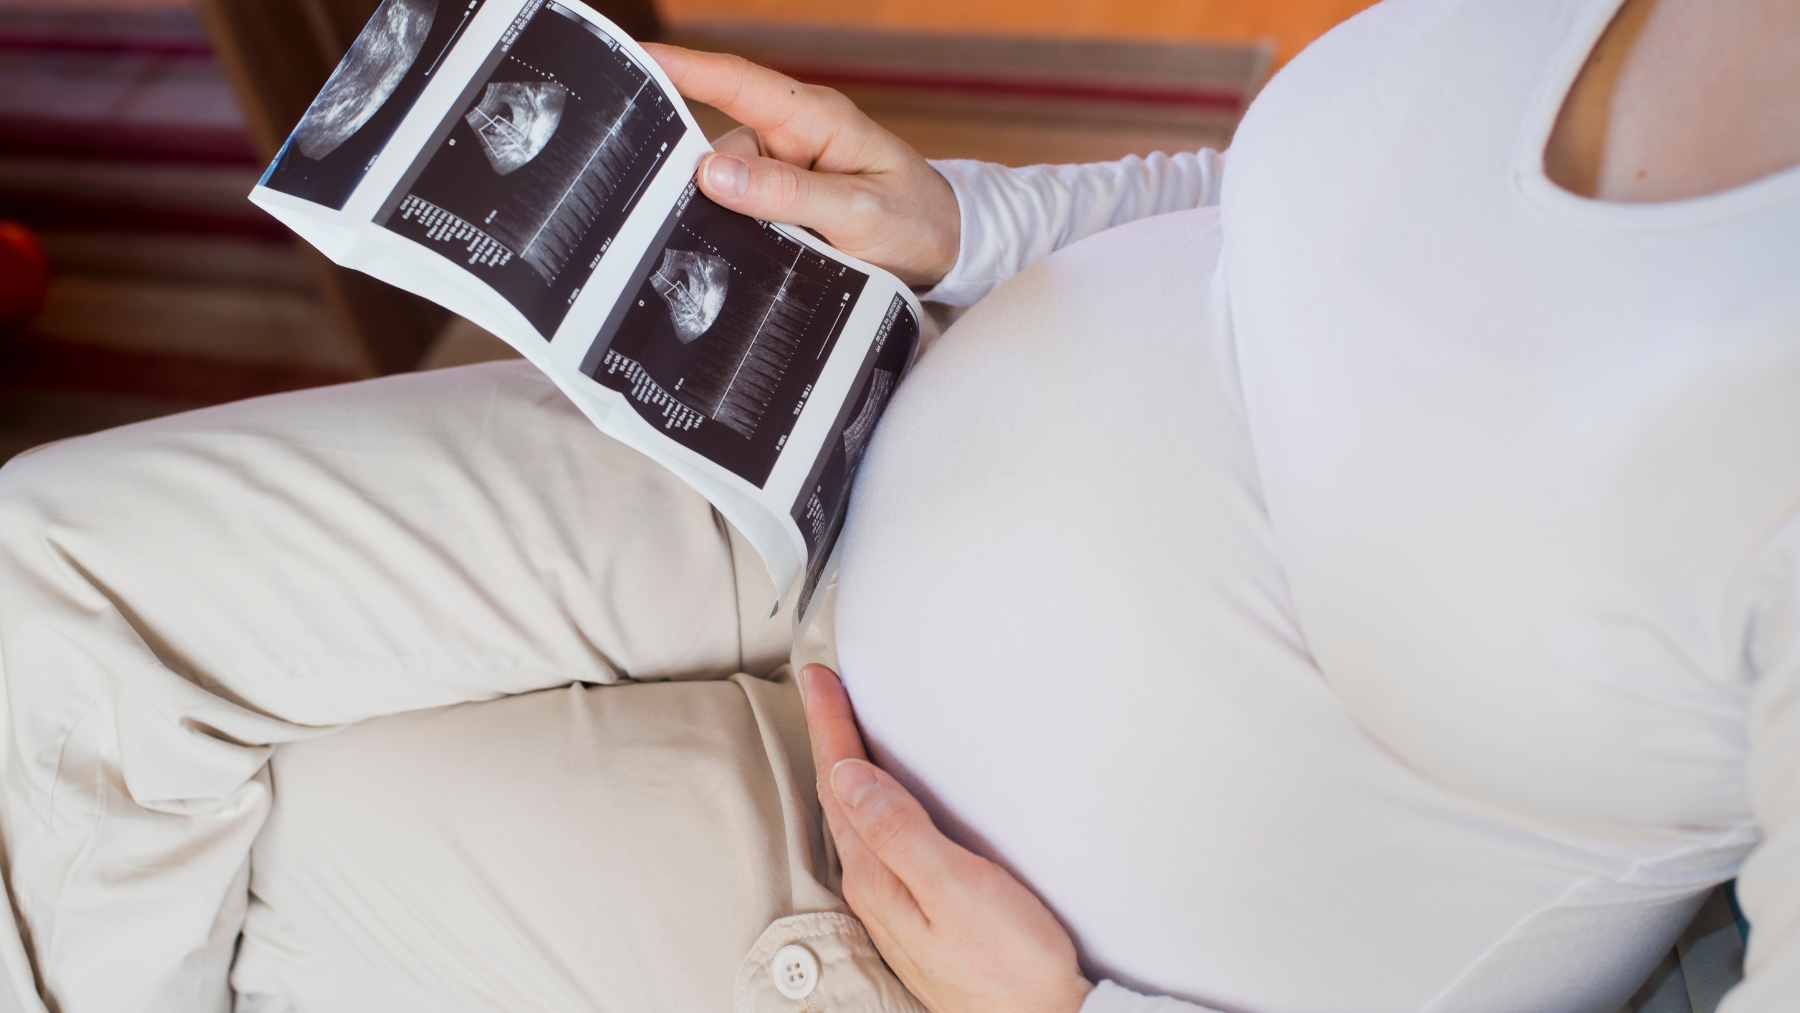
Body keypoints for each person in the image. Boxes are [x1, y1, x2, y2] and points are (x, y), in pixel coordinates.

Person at [1, 0, 1795, 1009]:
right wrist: (971, 225)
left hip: (1010, 944)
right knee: (45, 603)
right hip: (840, 432)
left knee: (271, 893)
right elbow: (1288, 204)